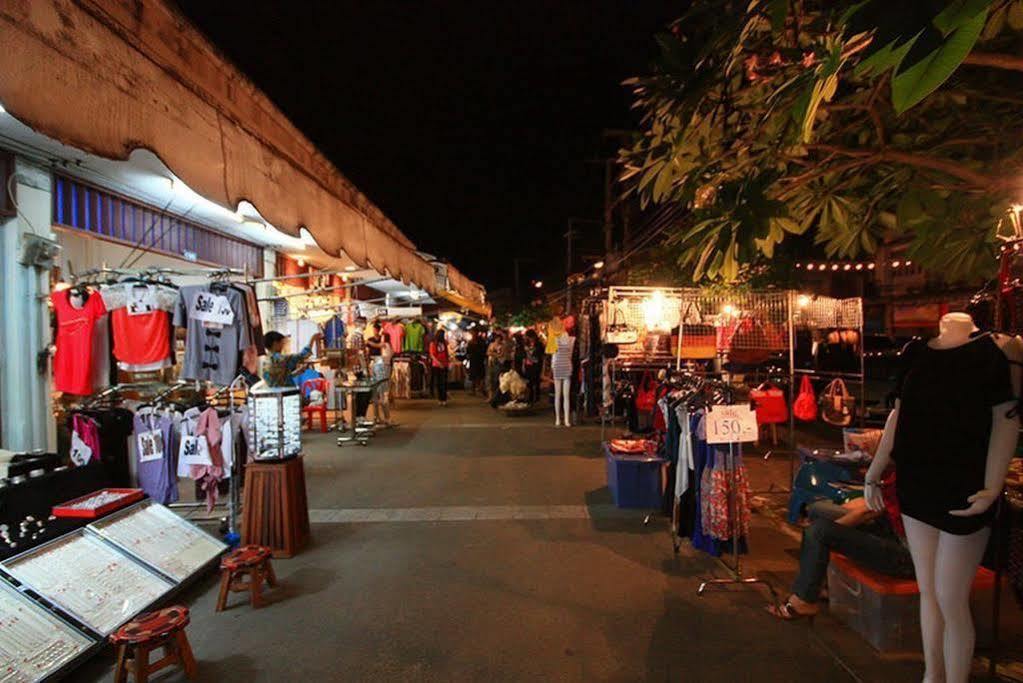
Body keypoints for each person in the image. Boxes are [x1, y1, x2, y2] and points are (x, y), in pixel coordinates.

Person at [768, 473, 913, 620]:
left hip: (907, 556)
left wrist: (830, 531)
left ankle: (804, 600)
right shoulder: (895, 471)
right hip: (893, 533)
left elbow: (867, 512)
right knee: (818, 512)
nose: (863, 448)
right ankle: (816, 586)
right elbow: (868, 504)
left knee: (819, 531)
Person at [429, 328, 450, 406]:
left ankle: (443, 399)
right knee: (439, 383)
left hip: (444, 364)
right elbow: (432, 355)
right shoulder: (433, 343)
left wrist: (447, 362)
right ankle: (440, 399)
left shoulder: (444, 343)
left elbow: (446, 353)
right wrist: (439, 363)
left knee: (444, 382)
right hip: (436, 365)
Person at [523, 330, 543, 404]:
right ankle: (530, 398)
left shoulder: (539, 344)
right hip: (528, 365)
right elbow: (525, 355)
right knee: (529, 382)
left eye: (530, 337)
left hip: (536, 365)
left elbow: (541, 356)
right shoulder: (526, 344)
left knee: (536, 381)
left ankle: (537, 397)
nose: (529, 339)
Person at [486, 330, 506, 399]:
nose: (498, 340)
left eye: (499, 339)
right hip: (490, 363)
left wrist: (493, 353)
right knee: (489, 379)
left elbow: (501, 355)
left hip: (498, 364)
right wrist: (495, 354)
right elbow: (488, 352)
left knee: (496, 379)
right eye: (497, 338)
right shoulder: (491, 344)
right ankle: (490, 396)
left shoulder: (502, 346)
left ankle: (495, 396)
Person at [467, 331, 488, 396]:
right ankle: (478, 389)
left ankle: (479, 389)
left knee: (478, 375)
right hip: (476, 360)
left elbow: (468, 351)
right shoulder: (477, 341)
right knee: (477, 375)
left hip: (477, 360)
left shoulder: (478, 341)